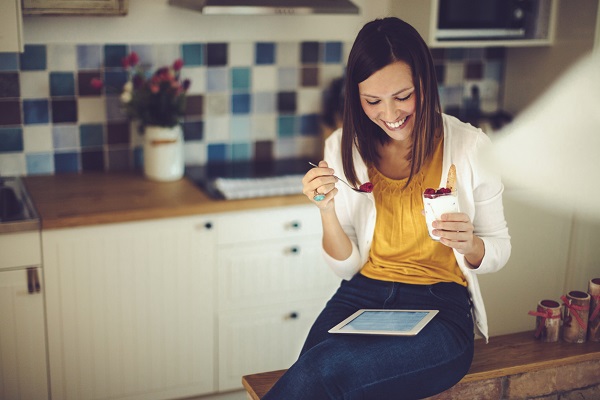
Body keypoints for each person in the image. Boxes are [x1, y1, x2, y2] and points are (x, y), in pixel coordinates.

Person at [263, 17, 511, 399]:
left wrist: (472, 244)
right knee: (314, 363)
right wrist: (325, 208)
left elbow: (499, 248)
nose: (390, 113)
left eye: (403, 96)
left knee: (324, 369)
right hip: (363, 293)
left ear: (424, 84)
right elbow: (345, 266)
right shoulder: (341, 147)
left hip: (441, 304)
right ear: (355, 96)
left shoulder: (471, 146)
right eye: (372, 101)